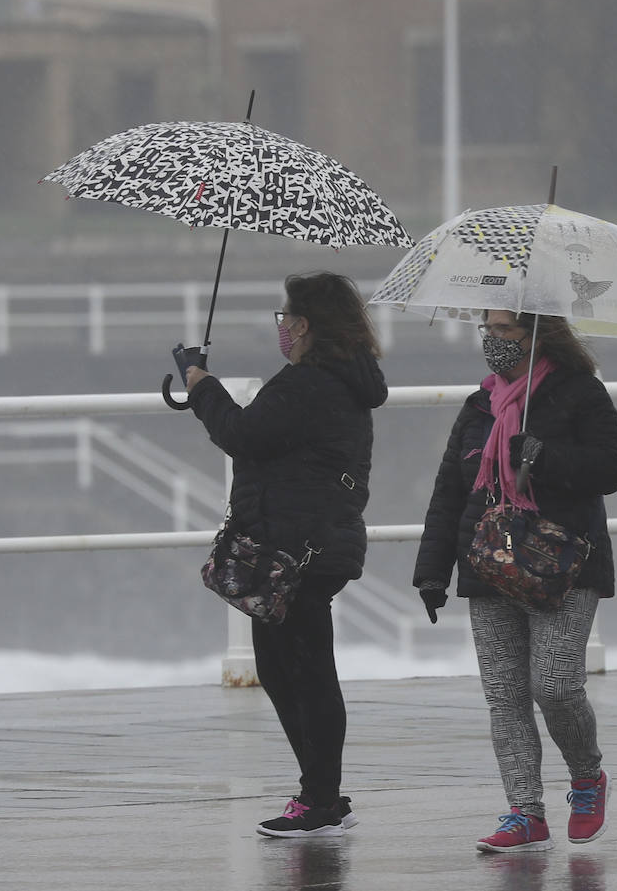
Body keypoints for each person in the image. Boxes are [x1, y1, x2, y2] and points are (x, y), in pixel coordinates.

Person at [413, 309, 617, 853]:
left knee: (554, 686)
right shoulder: (477, 406)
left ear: (539, 333)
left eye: (505, 329)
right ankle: (524, 812)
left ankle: (586, 777)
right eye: (486, 328)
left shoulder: (581, 393)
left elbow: (614, 467)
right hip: (489, 566)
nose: (492, 339)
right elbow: (449, 493)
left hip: (564, 567)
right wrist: (432, 569)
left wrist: (544, 456)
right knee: (505, 697)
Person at [183, 271, 387, 838]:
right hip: (305, 544)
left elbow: (244, 435)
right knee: (282, 667)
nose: (282, 327)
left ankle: (320, 799)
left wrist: (202, 385)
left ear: (305, 325)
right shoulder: (337, 378)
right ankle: (319, 793)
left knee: (305, 669)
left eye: (285, 318)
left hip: (299, 548)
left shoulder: (312, 383)